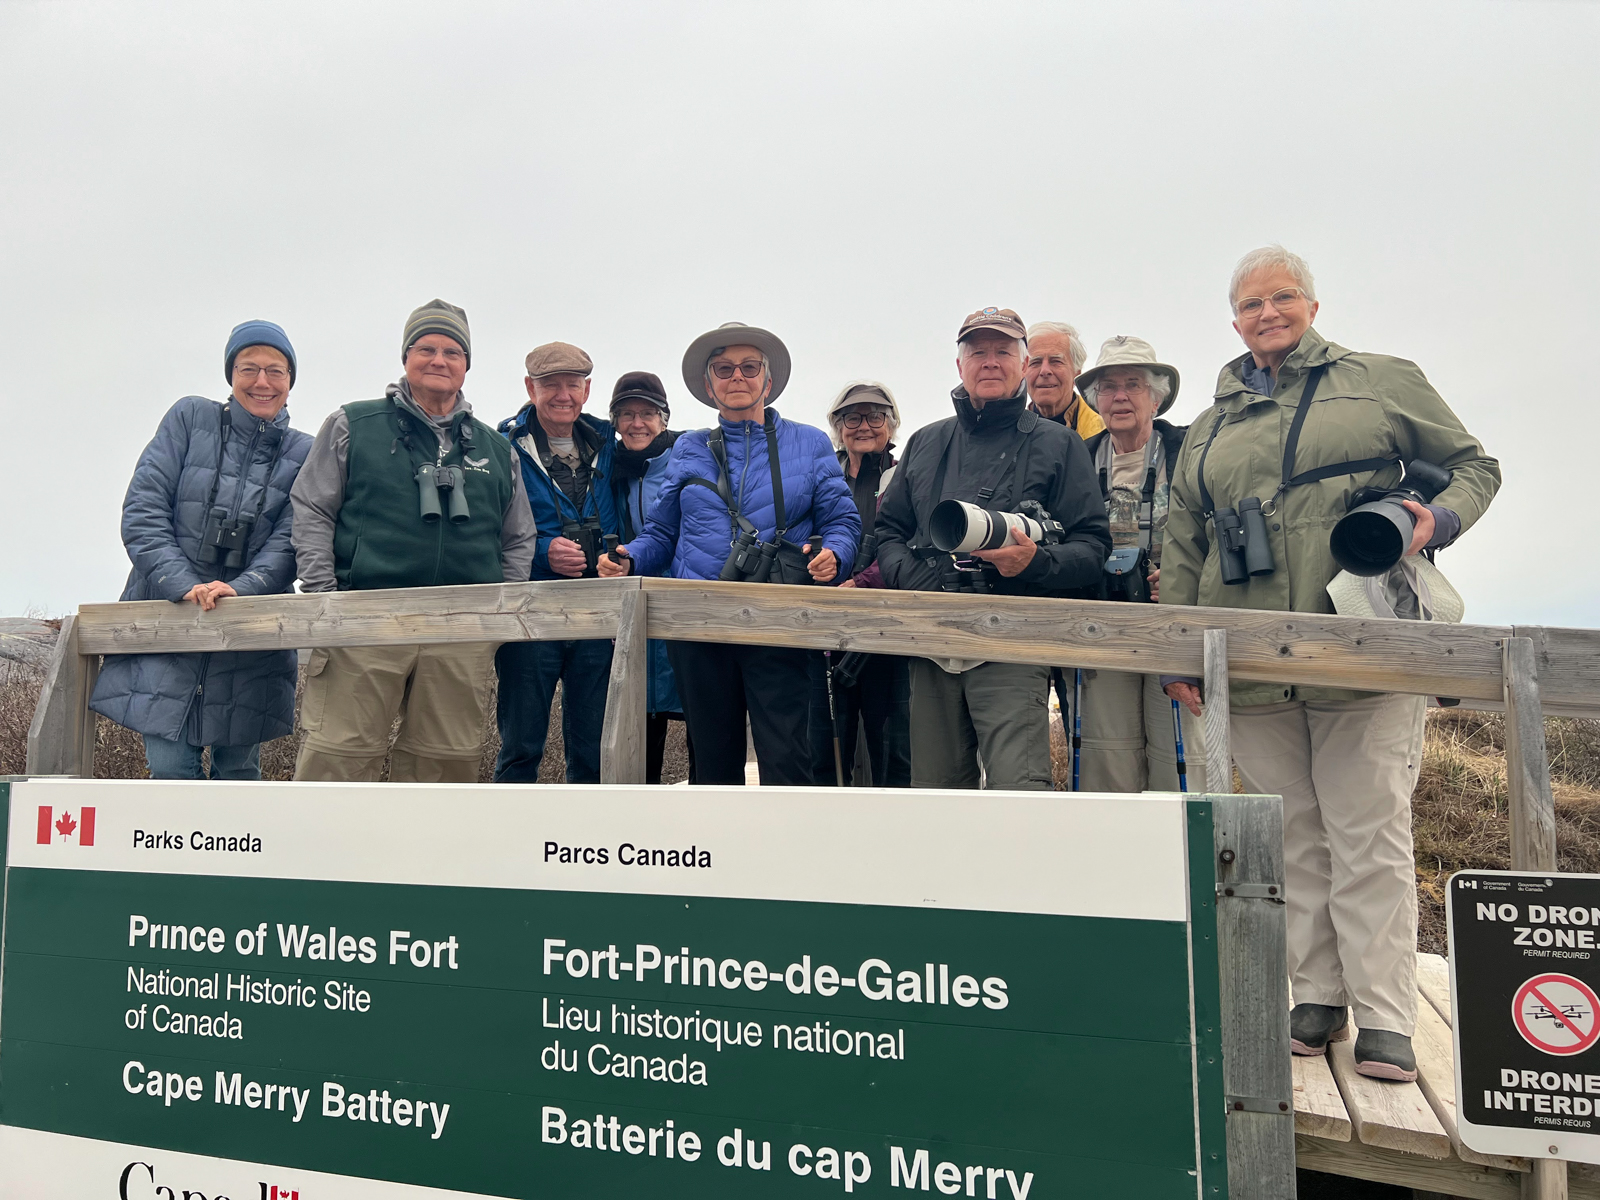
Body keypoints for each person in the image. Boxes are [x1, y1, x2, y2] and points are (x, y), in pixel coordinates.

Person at [1161, 246, 1501, 1081]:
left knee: (1370, 832)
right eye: (1249, 304)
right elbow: (1184, 539)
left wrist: (1435, 521)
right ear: (1232, 319)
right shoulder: (1209, 424)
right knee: (1294, 838)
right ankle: (1315, 995)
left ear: (1312, 305)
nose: (1266, 313)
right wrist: (1178, 647)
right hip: (1248, 662)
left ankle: (1385, 1011)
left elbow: (1475, 466)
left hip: (1363, 652)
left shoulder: (1379, 379)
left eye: (1282, 297)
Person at [598, 322, 859, 785]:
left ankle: (784, 856)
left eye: (749, 367)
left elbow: (842, 519)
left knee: (787, 760)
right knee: (712, 764)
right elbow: (661, 531)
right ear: (708, 383)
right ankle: (718, 854)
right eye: (724, 368)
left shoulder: (810, 442)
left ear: (768, 379)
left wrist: (836, 553)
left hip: (779, 620)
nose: (736, 376)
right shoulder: (687, 449)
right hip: (698, 624)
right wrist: (631, 558)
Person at [290, 299, 538, 783]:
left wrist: (494, 615)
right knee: (337, 757)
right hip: (363, 619)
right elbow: (313, 508)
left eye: (452, 351)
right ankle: (316, 856)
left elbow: (518, 538)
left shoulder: (496, 449)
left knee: (446, 766)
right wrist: (325, 598)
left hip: (461, 628)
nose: (439, 360)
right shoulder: (352, 425)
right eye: (426, 348)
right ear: (406, 357)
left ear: (467, 365)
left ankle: (428, 860)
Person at [875, 308, 1111, 790]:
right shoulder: (925, 442)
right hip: (931, 644)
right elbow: (887, 531)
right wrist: (917, 580)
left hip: (1013, 643)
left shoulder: (1059, 444)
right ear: (959, 365)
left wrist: (1036, 561)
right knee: (935, 799)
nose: (989, 362)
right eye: (977, 351)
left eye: (1003, 351)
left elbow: (1093, 545)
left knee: (1019, 795)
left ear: (1022, 364)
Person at [90, 321, 313, 779]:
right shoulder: (190, 417)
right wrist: (184, 583)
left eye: (276, 370)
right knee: (171, 773)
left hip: (252, 640)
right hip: (165, 617)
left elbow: (294, 539)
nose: (262, 382)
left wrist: (241, 588)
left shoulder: (305, 452)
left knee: (238, 777)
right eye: (248, 368)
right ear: (231, 373)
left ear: (291, 380)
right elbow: (143, 511)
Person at [1072, 336, 1208, 793]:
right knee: (1105, 756)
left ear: (1157, 396)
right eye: (1108, 387)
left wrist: (1180, 581)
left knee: (1183, 757)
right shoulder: (1077, 457)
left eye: (1133, 384)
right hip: (1102, 626)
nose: (1121, 396)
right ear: (1095, 400)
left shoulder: (1191, 451)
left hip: (1175, 626)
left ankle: (1186, 859)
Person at [493, 343, 620, 784]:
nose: (562, 394)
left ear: (587, 390)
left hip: (598, 612)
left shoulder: (612, 445)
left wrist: (619, 555)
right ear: (530, 388)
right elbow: (487, 527)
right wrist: (541, 548)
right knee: (520, 745)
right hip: (532, 611)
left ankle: (582, 842)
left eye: (572, 384)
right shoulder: (500, 447)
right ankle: (509, 840)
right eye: (550, 385)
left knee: (592, 746)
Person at [810, 381, 911, 787]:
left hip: (887, 636)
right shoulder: (820, 475)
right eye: (852, 417)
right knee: (823, 752)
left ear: (891, 424)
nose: (864, 426)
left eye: (875, 416)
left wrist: (862, 583)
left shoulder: (907, 476)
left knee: (893, 754)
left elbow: (914, 545)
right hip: (824, 634)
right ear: (838, 425)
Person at [605, 370, 695, 785]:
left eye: (647, 413)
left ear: (664, 417)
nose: (636, 423)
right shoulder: (612, 469)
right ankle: (643, 836)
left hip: (684, 605)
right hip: (635, 606)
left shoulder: (689, 459)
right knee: (641, 728)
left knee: (703, 721)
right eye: (626, 414)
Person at [1024, 321, 1104, 439]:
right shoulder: (1008, 434)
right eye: (1035, 362)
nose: (1044, 371)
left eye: (1056, 361)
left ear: (1076, 374)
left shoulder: (1105, 432)